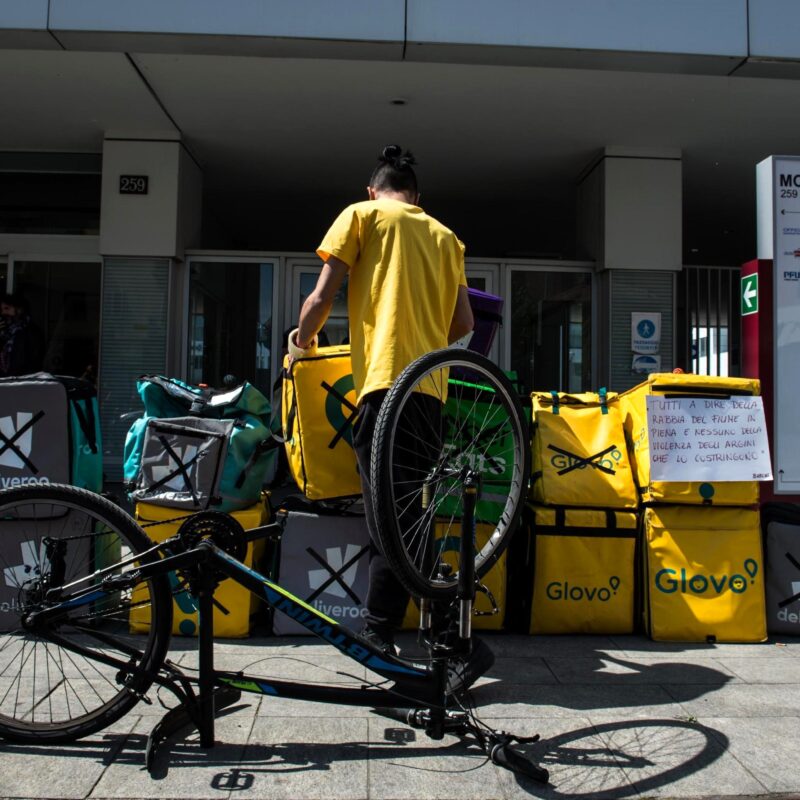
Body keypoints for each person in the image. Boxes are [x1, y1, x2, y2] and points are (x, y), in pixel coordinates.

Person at [291, 145, 492, 693]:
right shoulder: (446, 237)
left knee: (389, 517)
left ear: (372, 190)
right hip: (430, 392)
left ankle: (422, 634)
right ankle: (409, 634)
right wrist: (420, 334)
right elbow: (464, 322)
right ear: (417, 198)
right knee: (407, 516)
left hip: (383, 386)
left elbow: (321, 296)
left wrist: (299, 343)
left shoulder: (360, 217)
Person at [0, 293, 44, 377]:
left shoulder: (30, 332)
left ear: (20, 310)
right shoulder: (5, 333)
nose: (3, 313)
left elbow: (31, 361)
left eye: (7, 308)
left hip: (21, 382)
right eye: (2, 310)